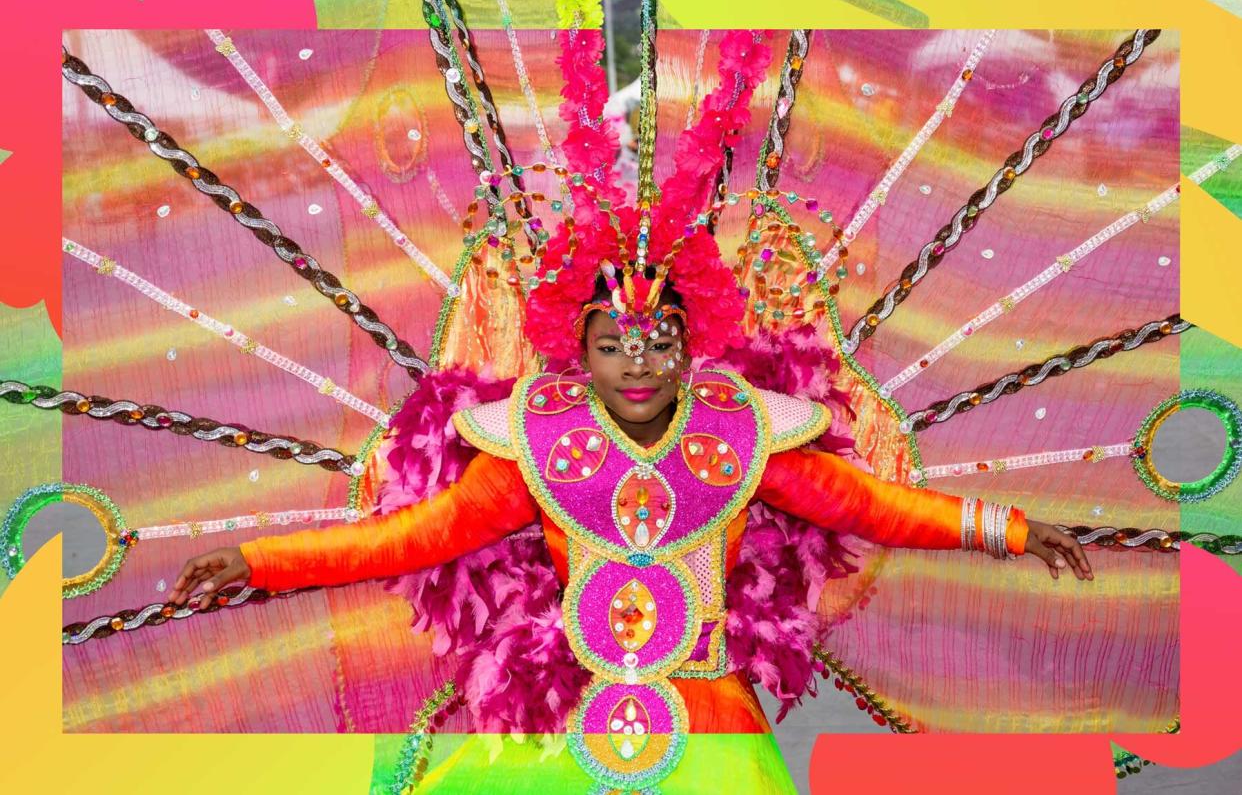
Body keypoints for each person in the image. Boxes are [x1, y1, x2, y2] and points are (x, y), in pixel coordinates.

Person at [169, 269, 1092, 790]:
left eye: (658, 343)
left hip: (711, 712)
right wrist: (255, 562)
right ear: (581, 352)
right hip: (569, 710)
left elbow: (870, 506)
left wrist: (1005, 528)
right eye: (614, 345)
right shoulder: (539, 440)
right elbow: (412, 539)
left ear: (691, 345)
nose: (638, 364)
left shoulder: (742, 432)